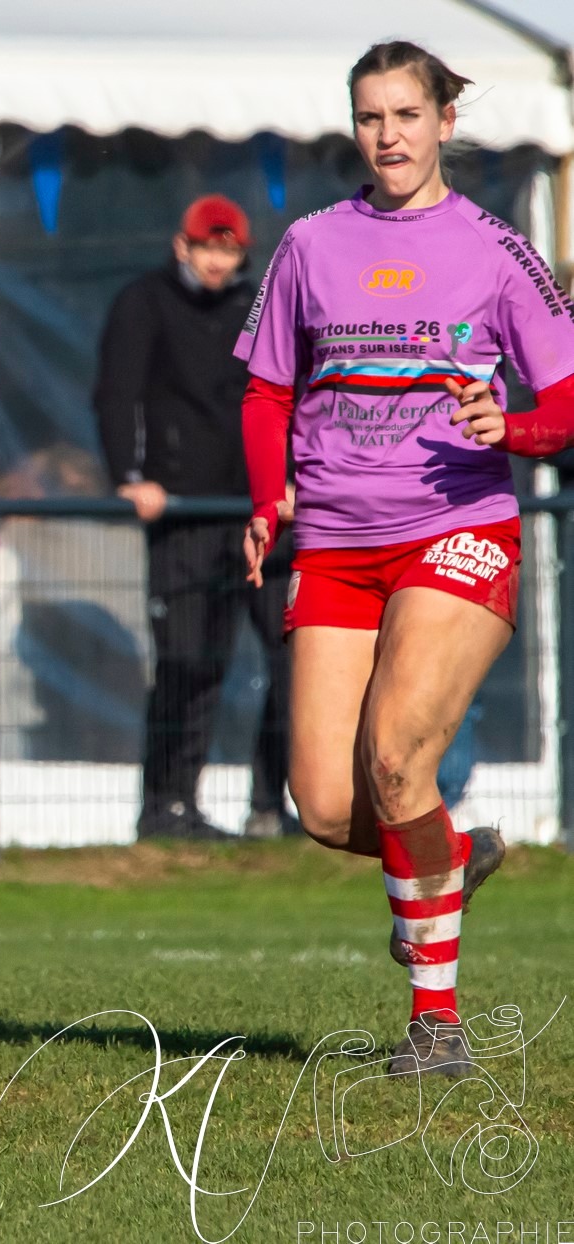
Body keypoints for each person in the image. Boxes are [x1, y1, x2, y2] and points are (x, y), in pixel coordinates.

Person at [239, 41, 574, 1076]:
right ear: (356, 129)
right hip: (336, 541)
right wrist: (267, 499)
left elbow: (563, 398)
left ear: (445, 125)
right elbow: (265, 390)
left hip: (456, 528)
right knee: (327, 804)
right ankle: (446, 853)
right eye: (372, 117)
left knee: (395, 756)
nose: (389, 134)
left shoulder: (496, 249)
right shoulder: (308, 244)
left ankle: (437, 1025)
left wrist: (508, 427)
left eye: (407, 115)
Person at [95, 194, 293, 842]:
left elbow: (283, 396)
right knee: (188, 661)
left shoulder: (257, 310)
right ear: (180, 246)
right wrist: (131, 476)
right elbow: (116, 393)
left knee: (293, 655)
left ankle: (273, 804)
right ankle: (166, 806)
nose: (215, 260)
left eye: (227, 249)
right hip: (182, 513)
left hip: (259, 516)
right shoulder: (142, 302)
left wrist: (289, 480)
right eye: (205, 247)